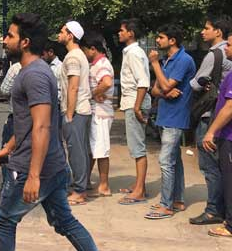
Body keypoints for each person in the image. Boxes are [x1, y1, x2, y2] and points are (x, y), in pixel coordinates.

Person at [0, 13, 123, 251]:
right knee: (65, 221)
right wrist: (8, 147)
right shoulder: (34, 71)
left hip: (37, 168)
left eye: (10, 35)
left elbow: (42, 126)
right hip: (52, 165)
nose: (4, 40)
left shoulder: (34, 75)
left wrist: (33, 175)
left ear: (25, 42)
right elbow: (29, 122)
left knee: (4, 220)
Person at [145, 24, 196, 220]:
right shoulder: (166, 60)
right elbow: (156, 89)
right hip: (165, 115)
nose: (157, 41)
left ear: (172, 40)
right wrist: (165, 92)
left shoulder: (184, 60)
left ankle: (166, 205)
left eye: (161, 37)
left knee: (165, 161)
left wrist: (155, 64)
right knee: (175, 160)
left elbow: (165, 85)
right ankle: (177, 200)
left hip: (176, 116)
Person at [190, 16, 232, 226]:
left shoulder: (215, 54)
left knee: (209, 165)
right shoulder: (226, 55)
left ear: (218, 32)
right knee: (221, 166)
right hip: (221, 117)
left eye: (207, 28)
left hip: (211, 116)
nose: (202, 31)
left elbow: (195, 84)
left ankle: (214, 209)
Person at [199, 31, 232, 238]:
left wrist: (211, 131)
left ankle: (230, 224)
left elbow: (230, 107)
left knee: (229, 179)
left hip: (229, 136)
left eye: (229, 45)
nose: (226, 48)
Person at [57, 20, 93, 206]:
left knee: (76, 151)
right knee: (81, 150)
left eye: (62, 31)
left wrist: (69, 114)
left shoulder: (72, 57)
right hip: (82, 109)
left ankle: (80, 191)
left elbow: (73, 87)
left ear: (70, 35)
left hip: (76, 110)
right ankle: (81, 186)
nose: (59, 34)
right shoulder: (79, 55)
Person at [116, 18, 152, 206]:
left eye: (122, 30)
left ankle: (140, 191)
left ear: (131, 33)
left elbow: (143, 82)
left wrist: (137, 107)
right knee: (135, 147)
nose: (119, 33)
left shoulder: (134, 53)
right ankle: (139, 185)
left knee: (138, 148)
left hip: (134, 102)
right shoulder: (131, 52)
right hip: (132, 102)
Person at [82, 31, 115, 198]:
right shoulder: (96, 64)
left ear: (92, 49)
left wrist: (93, 93)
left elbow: (107, 82)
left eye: (85, 50)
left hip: (101, 113)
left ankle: (104, 185)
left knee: (101, 149)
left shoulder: (102, 64)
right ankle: (86, 180)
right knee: (93, 148)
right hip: (97, 111)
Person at [0, 61, 22, 201]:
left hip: (16, 117)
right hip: (35, 118)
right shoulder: (44, 68)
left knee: (8, 154)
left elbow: (4, 89)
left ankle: (7, 190)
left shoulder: (16, 68)